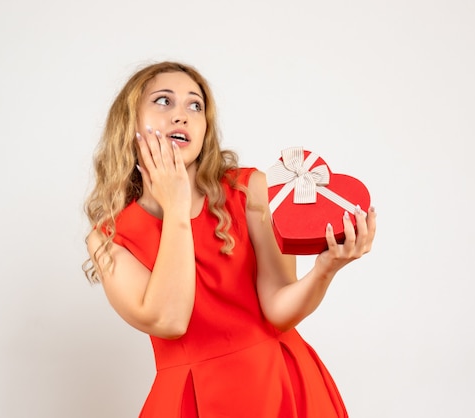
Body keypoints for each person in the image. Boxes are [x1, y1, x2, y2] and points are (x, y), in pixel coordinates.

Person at [83, 61, 377, 418]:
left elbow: (279, 311)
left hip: (281, 387)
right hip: (191, 400)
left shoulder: (248, 190)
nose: (182, 116)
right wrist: (175, 207)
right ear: (129, 124)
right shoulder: (109, 239)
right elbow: (170, 321)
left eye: (195, 106)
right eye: (163, 101)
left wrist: (325, 269)